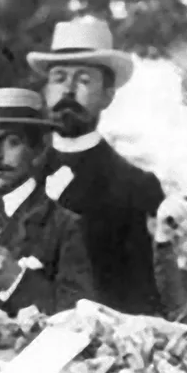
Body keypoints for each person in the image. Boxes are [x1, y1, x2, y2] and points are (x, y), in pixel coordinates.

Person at [29, 17, 166, 315]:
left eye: (84, 80)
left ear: (107, 95)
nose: (69, 90)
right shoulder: (19, 175)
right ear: (46, 90)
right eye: (60, 77)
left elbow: (142, 295)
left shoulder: (135, 186)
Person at [0, 88, 95, 315]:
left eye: (11, 142)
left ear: (37, 150)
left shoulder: (66, 226)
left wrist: (15, 279)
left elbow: (81, 316)